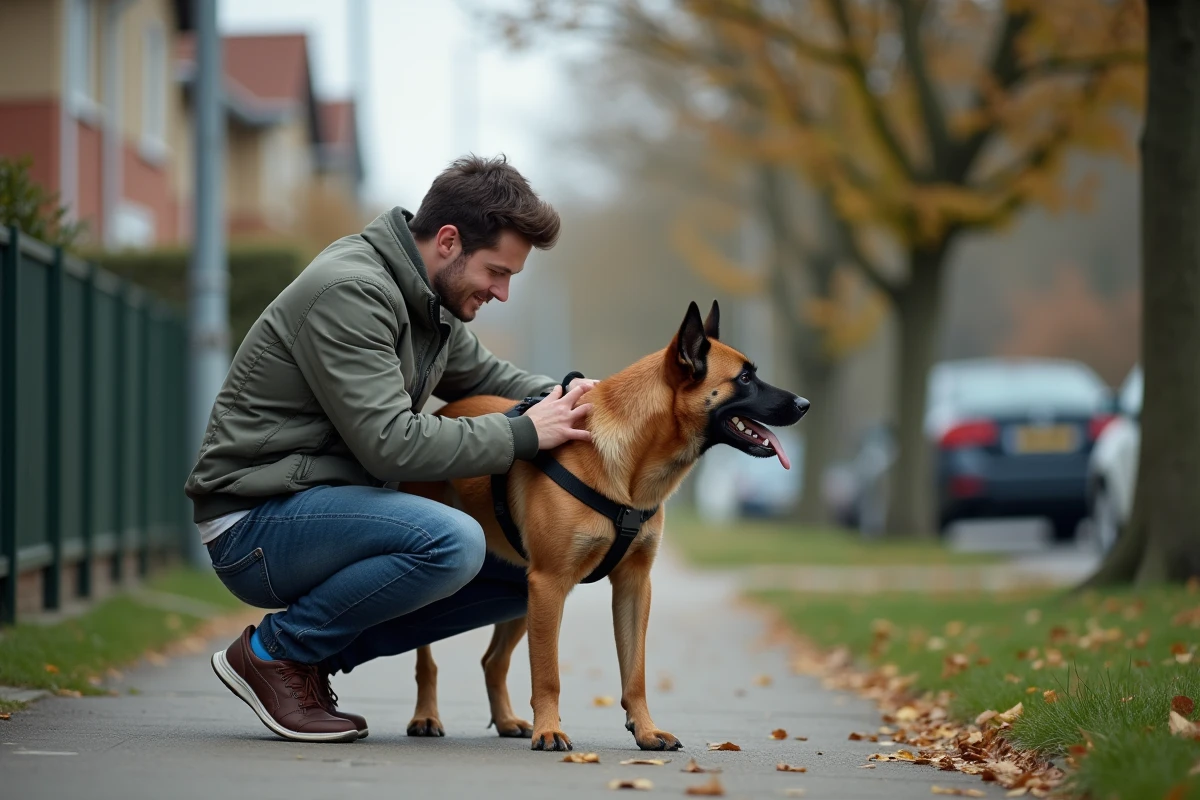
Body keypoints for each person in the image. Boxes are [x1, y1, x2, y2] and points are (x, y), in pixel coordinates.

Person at [185, 155, 596, 743]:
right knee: (453, 541)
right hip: (255, 522)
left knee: (522, 568)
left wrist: (586, 399)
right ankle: (275, 654)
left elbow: (492, 377)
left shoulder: (426, 302)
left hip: (319, 510)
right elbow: (391, 445)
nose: (502, 293)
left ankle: (313, 660)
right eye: (496, 272)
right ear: (448, 242)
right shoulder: (352, 292)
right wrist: (525, 432)